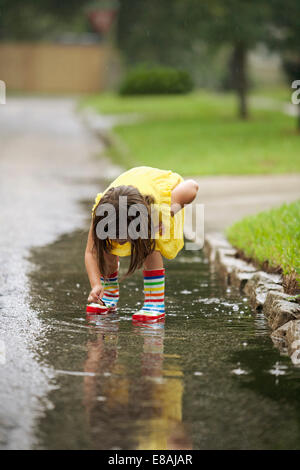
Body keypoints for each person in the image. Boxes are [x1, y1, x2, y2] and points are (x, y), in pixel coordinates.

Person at [85, 166, 199, 321]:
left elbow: (193, 186)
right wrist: (96, 284)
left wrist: (168, 212)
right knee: (103, 245)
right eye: (114, 235)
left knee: (150, 245)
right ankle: (108, 292)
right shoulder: (102, 213)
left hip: (154, 191)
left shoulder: (155, 209)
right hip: (124, 199)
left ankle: (154, 302)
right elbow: (90, 252)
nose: (119, 241)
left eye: (122, 236)